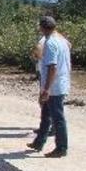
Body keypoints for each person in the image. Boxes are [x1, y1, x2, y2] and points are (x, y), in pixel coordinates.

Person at [27, 16, 71, 158]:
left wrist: (46, 89)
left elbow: (52, 67)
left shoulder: (51, 43)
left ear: (42, 27)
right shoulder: (62, 41)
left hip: (54, 86)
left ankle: (61, 148)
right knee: (46, 114)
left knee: (57, 117)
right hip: (59, 83)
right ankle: (39, 142)